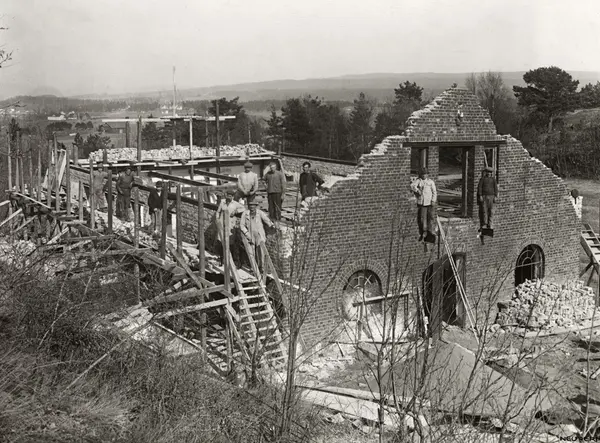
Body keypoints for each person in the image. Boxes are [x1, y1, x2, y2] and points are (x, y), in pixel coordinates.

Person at [240, 201, 274, 272]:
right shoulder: (245, 213)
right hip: (250, 234)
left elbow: (266, 219)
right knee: (252, 252)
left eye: (253, 205)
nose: (252, 207)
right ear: (248, 206)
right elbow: (242, 225)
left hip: (259, 234)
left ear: (256, 206)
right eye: (250, 205)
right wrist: (246, 233)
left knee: (261, 251)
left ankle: (262, 267)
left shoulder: (260, 213)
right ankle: (253, 267)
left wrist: (271, 225)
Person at [216, 191, 246, 265]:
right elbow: (218, 212)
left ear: (232, 197)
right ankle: (221, 259)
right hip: (222, 224)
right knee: (220, 241)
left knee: (230, 242)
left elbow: (244, 208)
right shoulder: (222, 202)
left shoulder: (235, 204)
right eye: (228, 195)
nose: (228, 197)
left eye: (230, 196)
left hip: (230, 225)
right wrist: (217, 219)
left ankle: (230, 260)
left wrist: (236, 211)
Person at [410, 167, 437, 241]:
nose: (424, 176)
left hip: (430, 202)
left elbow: (434, 192)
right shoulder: (419, 181)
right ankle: (424, 231)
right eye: (423, 174)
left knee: (431, 217)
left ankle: (431, 230)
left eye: (425, 174)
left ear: (427, 175)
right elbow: (412, 186)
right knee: (423, 218)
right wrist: (417, 190)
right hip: (422, 203)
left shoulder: (430, 182)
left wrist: (433, 200)